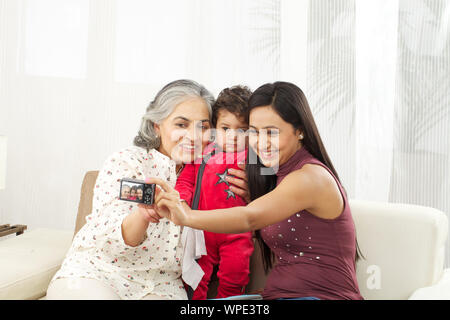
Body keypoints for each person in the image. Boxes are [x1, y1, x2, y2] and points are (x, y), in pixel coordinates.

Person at [147, 81, 364, 300]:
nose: (261, 143)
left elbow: (250, 218)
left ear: (300, 130)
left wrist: (186, 216)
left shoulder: (310, 177)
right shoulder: (276, 173)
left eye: (271, 132)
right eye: (254, 132)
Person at [46, 79, 249, 300]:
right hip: (99, 273)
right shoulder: (129, 162)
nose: (193, 136)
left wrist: (251, 195)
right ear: (157, 126)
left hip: (163, 285)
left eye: (203, 126)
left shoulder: (216, 175)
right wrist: (143, 215)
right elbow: (111, 240)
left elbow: (251, 227)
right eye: (181, 125)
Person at [175, 85, 254, 299]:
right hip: (202, 230)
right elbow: (186, 179)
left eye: (242, 130)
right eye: (226, 129)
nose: (233, 137)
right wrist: (181, 200)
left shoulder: (253, 158)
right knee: (195, 278)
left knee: (236, 274)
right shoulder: (203, 151)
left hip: (237, 232)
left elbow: (267, 192)